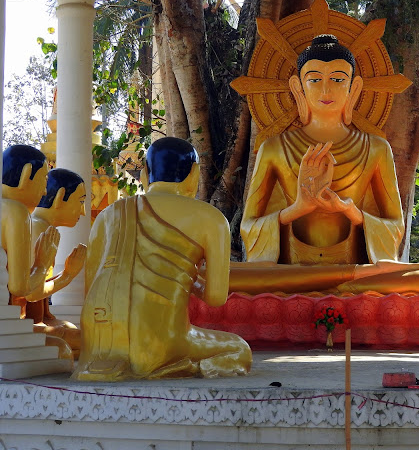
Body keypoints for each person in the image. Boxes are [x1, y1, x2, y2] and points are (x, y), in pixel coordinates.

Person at [233, 34, 419, 296]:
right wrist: (298, 208)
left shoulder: (376, 148)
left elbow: (394, 224)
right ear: (298, 87)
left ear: (354, 87)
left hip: (355, 270)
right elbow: (249, 226)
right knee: (219, 278)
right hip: (293, 272)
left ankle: (345, 284)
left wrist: (350, 211)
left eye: (337, 79)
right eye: (314, 80)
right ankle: (347, 290)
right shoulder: (275, 148)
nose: (326, 90)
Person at [73, 137, 251, 381]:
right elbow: (216, 298)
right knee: (239, 348)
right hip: (160, 340)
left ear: (145, 173)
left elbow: (89, 286)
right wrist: (191, 279)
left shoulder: (109, 214)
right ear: (194, 174)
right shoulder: (211, 218)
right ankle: (175, 365)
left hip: (98, 340)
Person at [2, 145, 73, 361]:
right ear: (26, 176)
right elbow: (21, 288)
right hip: (5, 330)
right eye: (43, 182)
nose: (44, 192)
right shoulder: (15, 212)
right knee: (64, 351)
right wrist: (43, 265)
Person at [12, 168, 87, 357]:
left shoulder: (42, 226)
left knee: (72, 330)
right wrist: (68, 276)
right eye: (81, 201)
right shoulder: (37, 228)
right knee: (92, 340)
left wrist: (65, 274)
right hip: (20, 322)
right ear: (61, 196)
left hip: (34, 320)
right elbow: (31, 293)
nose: (84, 211)